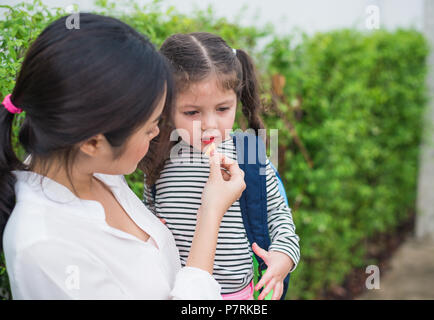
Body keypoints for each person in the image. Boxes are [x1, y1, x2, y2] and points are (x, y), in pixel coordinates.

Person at [0, 14, 245, 300]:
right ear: (93, 141)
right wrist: (211, 213)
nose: (157, 133)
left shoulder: (97, 171)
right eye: (149, 126)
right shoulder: (45, 249)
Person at [142, 32, 300, 300]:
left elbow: (279, 216)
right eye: (192, 113)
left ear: (236, 100)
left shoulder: (248, 155)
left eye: (223, 108)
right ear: (166, 106)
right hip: (178, 293)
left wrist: (283, 258)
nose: (210, 125)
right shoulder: (160, 156)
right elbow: (148, 214)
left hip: (240, 295)